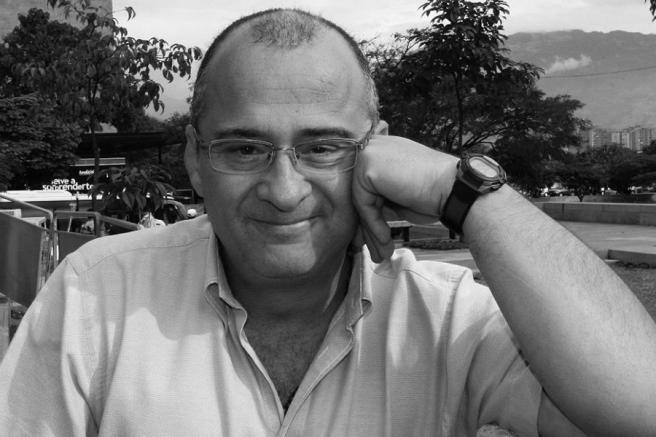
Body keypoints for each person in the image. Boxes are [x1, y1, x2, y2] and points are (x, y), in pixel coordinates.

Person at [1, 8, 655, 436]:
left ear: (379, 152)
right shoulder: (95, 296)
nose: (284, 191)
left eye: (323, 148)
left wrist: (464, 193)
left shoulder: (451, 318)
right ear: (195, 160)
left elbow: (641, 407)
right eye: (244, 149)